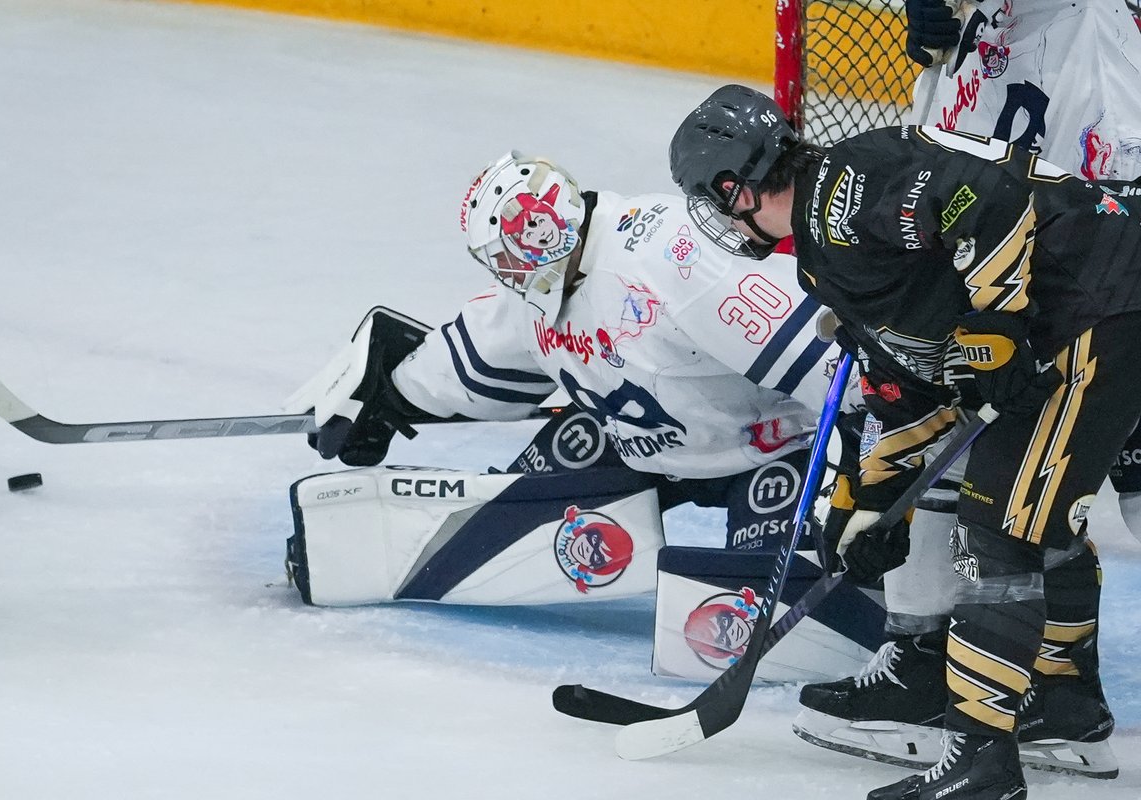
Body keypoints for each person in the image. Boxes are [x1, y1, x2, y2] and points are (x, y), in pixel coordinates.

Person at [668, 84, 1141, 799]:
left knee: (1000, 531)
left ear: (737, 186)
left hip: (1098, 306)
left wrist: (997, 320)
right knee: (1026, 513)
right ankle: (1061, 700)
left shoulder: (846, 193)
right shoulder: (824, 246)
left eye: (713, 195)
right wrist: (869, 502)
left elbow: (987, 199)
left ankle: (983, 762)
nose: (718, 213)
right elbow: (908, 382)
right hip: (1085, 310)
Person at [283, 151, 888, 679]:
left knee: (753, 607)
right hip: (640, 447)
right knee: (536, 477)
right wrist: (387, 394)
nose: (518, 271)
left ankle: (900, 624)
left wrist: (871, 478)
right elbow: (470, 358)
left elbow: (841, 370)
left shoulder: (676, 259)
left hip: (775, 452)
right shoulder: (533, 294)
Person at [790, 0, 1141, 780]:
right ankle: (1000, 677)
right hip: (1043, 249)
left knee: (1045, 497)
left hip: (1091, 241)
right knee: (1015, 480)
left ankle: (1007, 690)